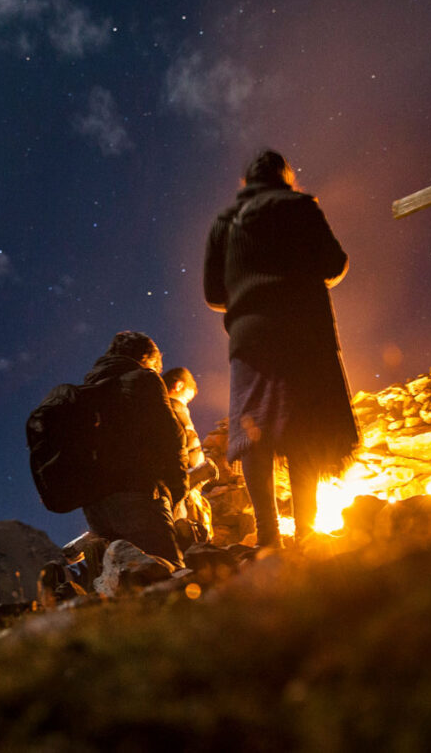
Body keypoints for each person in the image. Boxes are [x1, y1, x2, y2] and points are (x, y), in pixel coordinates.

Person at [203, 149, 358, 547]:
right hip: (305, 330)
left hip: (250, 338)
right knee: (304, 426)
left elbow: (213, 293)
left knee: (254, 429)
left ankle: (268, 537)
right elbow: (334, 263)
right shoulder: (301, 206)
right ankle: (306, 531)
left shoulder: (224, 221)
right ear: (284, 176)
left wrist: (246, 293)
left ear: (246, 182)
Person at [80, 331, 187, 569]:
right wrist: (178, 486)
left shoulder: (86, 390)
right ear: (146, 357)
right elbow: (170, 435)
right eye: (156, 364)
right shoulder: (143, 379)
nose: (157, 370)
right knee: (168, 573)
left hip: (94, 505)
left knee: (124, 581)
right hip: (137, 494)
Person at [162, 367, 216, 543]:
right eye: (187, 397)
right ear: (178, 386)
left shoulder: (151, 412)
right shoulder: (176, 409)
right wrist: (203, 470)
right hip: (182, 488)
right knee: (186, 537)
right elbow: (189, 447)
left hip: (165, 491)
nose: (187, 404)